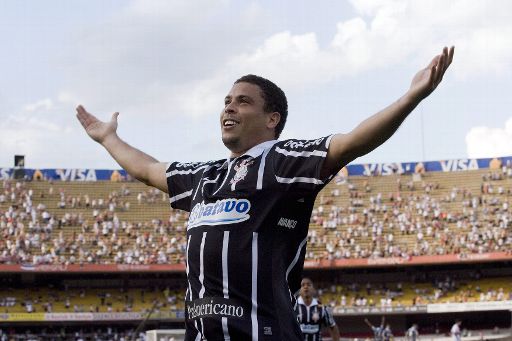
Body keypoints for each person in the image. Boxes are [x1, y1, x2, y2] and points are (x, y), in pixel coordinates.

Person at [76, 46, 454, 340]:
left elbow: (352, 142)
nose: (229, 106)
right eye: (226, 101)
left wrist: (409, 98)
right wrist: (109, 138)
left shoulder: (284, 162)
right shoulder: (206, 177)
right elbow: (147, 169)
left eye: (243, 101)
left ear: (272, 119)